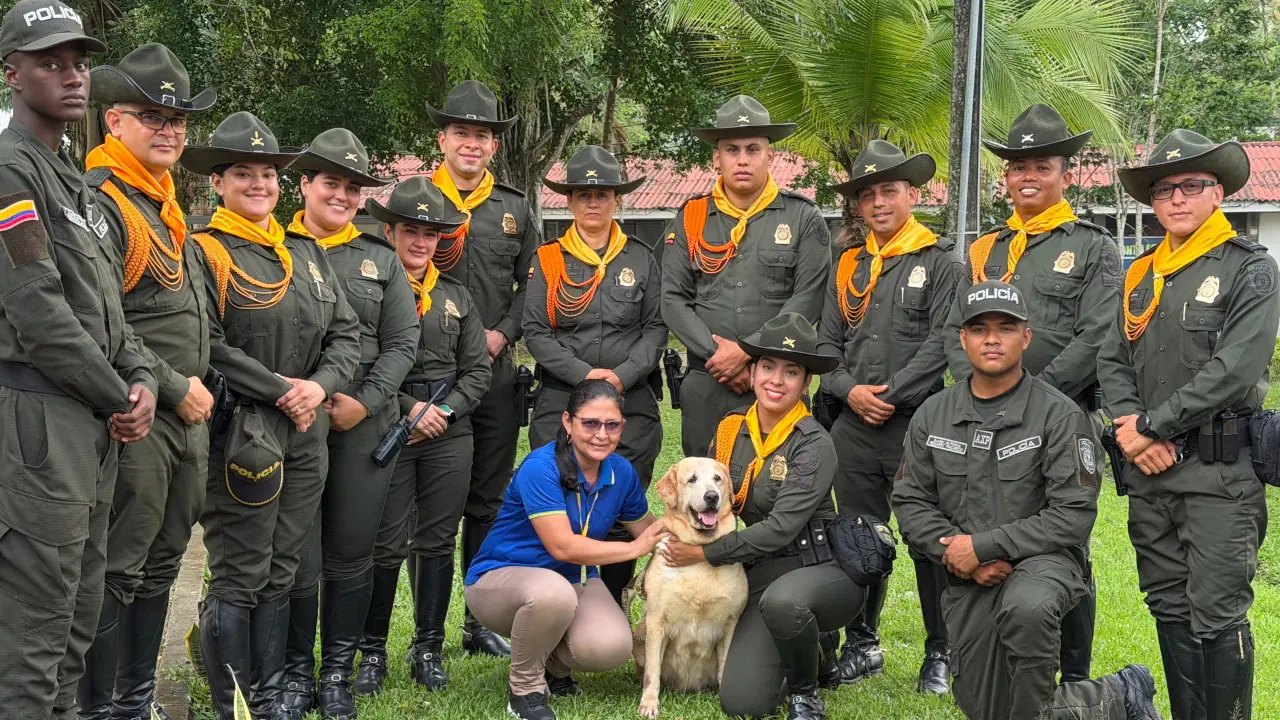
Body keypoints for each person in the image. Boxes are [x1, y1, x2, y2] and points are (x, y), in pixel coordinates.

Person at [892, 280, 1162, 720]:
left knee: (1027, 607)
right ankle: (1118, 697)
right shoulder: (934, 413)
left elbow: (1072, 517)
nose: (992, 339)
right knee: (988, 707)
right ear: (962, 340)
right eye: (979, 329)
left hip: (1045, 561)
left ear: (1026, 337)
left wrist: (982, 547)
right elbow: (909, 499)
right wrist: (960, 550)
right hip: (968, 568)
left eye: (1005, 327)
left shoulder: (1059, 415)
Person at [0, 2, 158, 716]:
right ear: (12, 74)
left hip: (90, 424)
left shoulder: (75, 184)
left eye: (80, 63)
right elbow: (38, 315)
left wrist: (143, 377)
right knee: (33, 638)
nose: (71, 77)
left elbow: (107, 310)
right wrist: (117, 395)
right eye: (50, 63)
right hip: (39, 424)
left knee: (75, 627)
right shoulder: (10, 174)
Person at [181, 111, 361, 720]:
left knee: (284, 563)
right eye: (242, 173)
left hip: (305, 430)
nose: (258, 183)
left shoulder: (303, 253)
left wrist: (320, 386)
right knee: (241, 566)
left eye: (267, 173)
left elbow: (347, 335)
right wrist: (283, 389)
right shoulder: (205, 250)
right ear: (218, 183)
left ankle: (274, 688)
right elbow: (205, 340)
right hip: (244, 430)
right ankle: (239, 699)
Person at [1099, 130, 1278, 720]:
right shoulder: (1141, 273)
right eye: (1164, 189)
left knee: (1220, 612)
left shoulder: (1249, 270)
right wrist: (1131, 429)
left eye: (1191, 186)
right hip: (1150, 473)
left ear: (1218, 193)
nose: (1176, 198)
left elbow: (1235, 370)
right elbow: (1112, 359)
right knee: (1168, 606)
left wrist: (1154, 425)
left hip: (1218, 475)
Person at [941, 104, 1121, 683]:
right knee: (998, 527)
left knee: (1064, 543)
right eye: (1018, 167)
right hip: (985, 420)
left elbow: (1098, 335)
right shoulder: (986, 250)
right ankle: (1006, 660)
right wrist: (971, 390)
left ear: (1065, 174)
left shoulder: (1093, 247)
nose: (1027, 177)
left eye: (1041, 166)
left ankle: (1070, 674)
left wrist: (1032, 396)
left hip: (1061, 419)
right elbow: (956, 327)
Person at [77, 42, 217, 720]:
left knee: (164, 561)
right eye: (152, 115)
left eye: (178, 119)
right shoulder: (99, 201)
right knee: (119, 566)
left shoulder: (163, 201)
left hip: (186, 418)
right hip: (136, 413)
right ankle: (100, 704)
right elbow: (105, 321)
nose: (168, 129)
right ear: (114, 122)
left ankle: (137, 698)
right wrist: (172, 385)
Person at [277, 128, 418, 719]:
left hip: (361, 422)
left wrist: (365, 400)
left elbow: (402, 342)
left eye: (353, 187)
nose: (342, 195)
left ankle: (336, 671)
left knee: (352, 549)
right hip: (285, 421)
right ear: (305, 183)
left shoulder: (380, 261)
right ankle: (293, 674)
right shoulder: (271, 248)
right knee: (296, 550)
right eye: (330, 182)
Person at [661, 314, 863, 720]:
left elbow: (781, 529)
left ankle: (809, 678)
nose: (776, 380)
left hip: (816, 566)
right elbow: (710, 500)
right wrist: (668, 532)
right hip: (756, 566)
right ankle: (802, 644)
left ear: (806, 384)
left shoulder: (813, 443)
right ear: (752, 373)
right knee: (744, 702)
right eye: (767, 367)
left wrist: (703, 554)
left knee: (785, 603)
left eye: (791, 372)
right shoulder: (731, 430)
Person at [816, 140, 961, 692]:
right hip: (853, 426)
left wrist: (891, 394)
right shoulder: (848, 263)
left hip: (918, 424)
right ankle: (862, 642)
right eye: (867, 194)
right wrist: (851, 393)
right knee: (857, 535)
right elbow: (827, 345)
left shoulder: (941, 260)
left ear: (912, 194)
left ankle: (940, 652)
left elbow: (945, 339)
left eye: (889, 190)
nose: (878, 202)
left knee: (928, 538)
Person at [352, 177, 492, 696]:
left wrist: (446, 413)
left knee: (437, 538)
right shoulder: (370, 289)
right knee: (385, 541)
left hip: (448, 432)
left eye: (431, 234)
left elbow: (477, 370)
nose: (420, 242)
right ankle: (371, 652)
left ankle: (427, 647)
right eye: (411, 230)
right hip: (388, 422)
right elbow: (362, 360)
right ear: (389, 231)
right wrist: (410, 410)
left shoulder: (456, 296)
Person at [464, 379, 666, 720]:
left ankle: (552, 667)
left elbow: (649, 530)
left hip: (571, 582)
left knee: (612, 648)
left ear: (622, 427)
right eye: (590, 423)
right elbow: (562, 546)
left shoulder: (621, 472)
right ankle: (524, 690)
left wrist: (697, 543)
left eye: (612, 424)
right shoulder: (540, 467)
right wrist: (636, 548)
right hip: (500, 580)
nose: (602, 434)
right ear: (567, 422)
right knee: (552, 595)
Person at [427, 80, 540, 656]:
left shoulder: (515, 207)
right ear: (442, 138)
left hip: (494, 375)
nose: (472, 144)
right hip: (426, 373)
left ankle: (478, 621)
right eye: (462, 133)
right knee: (431, 505)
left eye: (483, 135)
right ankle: (426, 634)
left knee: (487, 501)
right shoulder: (415, 199)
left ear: (494, 145)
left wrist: (503, 334)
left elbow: (533, 285)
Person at [524, 144, 666, 606]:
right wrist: (588, 379)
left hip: (632, 404)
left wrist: (619, 378)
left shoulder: (643, 258)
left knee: (622, 507)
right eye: (582, 194)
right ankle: (556, 603)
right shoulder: (548, 259)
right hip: (562, 403)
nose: (592, 203)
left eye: (602, 194)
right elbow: (536, 332)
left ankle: (610, 599)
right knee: (560, 507)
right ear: (568, 201)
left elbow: (656, 327)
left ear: (617, 200)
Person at [662, 95, 831, 458]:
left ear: (771, 156)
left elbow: (809, 297)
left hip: (775, 382)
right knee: (704, 495)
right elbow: (673, 299)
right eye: (732, 149)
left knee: (779, 486)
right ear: (716, 157)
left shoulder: (803, 217)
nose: (742, 159)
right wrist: (719, 356)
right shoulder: (691, 217)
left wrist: (750, 356)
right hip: (708, 381)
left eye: (753, 149)